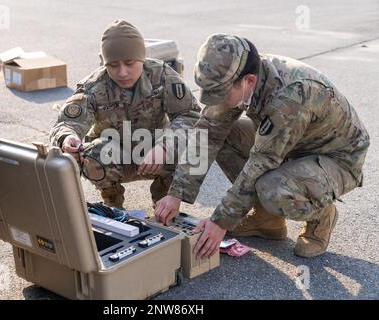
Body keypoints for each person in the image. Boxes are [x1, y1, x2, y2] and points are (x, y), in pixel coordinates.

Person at [155, 33, 370, 259]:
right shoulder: (237, 74)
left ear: (248, 81)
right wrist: (177, 193)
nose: (214, 100)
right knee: (225, 134)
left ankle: (321, 214)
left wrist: (220, 221)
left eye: (220, 93)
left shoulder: (289, 97)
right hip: (291, 145)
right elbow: (207, 134)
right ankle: (267, 220)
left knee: (273, 188)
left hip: (336, 157)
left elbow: (262, 161)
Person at [50, 19, 200, 209]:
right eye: (113, 65)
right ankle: (112, 201)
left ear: (142, 58)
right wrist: (67, 137)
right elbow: (66, 123)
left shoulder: (162, 75)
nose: (122, 72)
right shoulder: (93, 87)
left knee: (190, 146)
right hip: (115, 160)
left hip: (156, 154)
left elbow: (190, 116)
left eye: (130, 63)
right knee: (93, 153)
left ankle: (165, 200)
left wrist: (165, 147)